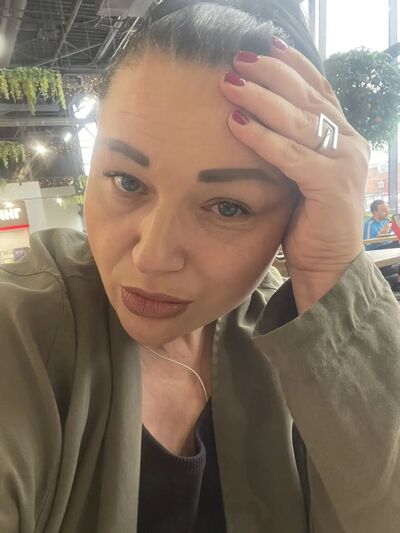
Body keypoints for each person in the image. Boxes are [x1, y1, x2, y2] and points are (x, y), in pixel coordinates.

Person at [1, 1, 399, 532]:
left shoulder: (294, 343)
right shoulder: (22, 334)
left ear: (296, 211)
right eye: (126, 181)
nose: (152, 256)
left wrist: (332, 269)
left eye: (228, 207)